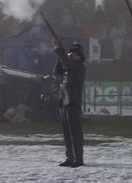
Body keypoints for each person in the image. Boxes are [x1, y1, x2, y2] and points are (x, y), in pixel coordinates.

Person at [53, 40, 86, 168]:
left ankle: (78, 159)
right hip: (64, 102)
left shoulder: (79, 67)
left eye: (73, 53)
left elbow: (69, 65)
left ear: (79, 55)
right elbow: (56, 70)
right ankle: (70, 157)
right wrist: (60, 57)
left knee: (75, 133)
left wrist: (58, 48)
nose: (71, 55)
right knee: (67, 133)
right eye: (70, 53)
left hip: (72, 102)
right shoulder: (69, 66)